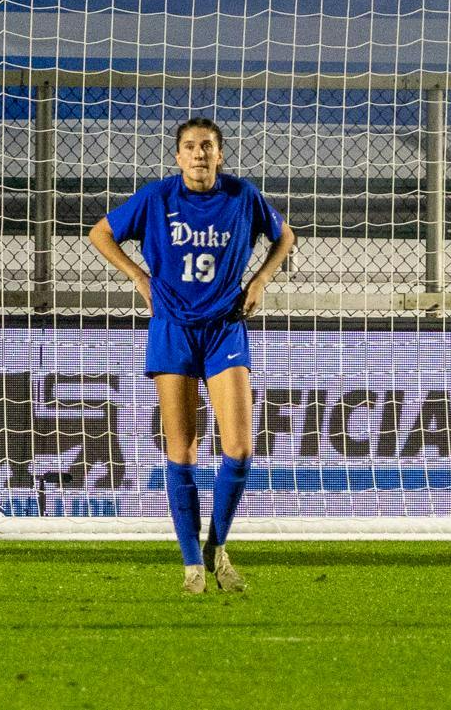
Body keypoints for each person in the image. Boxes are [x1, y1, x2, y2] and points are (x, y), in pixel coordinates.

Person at [86, 118, 294, 594]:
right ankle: (192, 567)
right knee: (183, 451)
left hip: (225, 328)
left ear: (220, 155)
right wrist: (138, 277)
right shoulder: (157, 198)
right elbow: (101, 233)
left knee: (240, 449)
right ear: (177, 157)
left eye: (207, 146)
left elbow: (285, 235)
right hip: (173, 329)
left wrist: (260, 280)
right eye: (189, 147)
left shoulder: (244, 196)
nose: (198, 154)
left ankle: (217, 548)